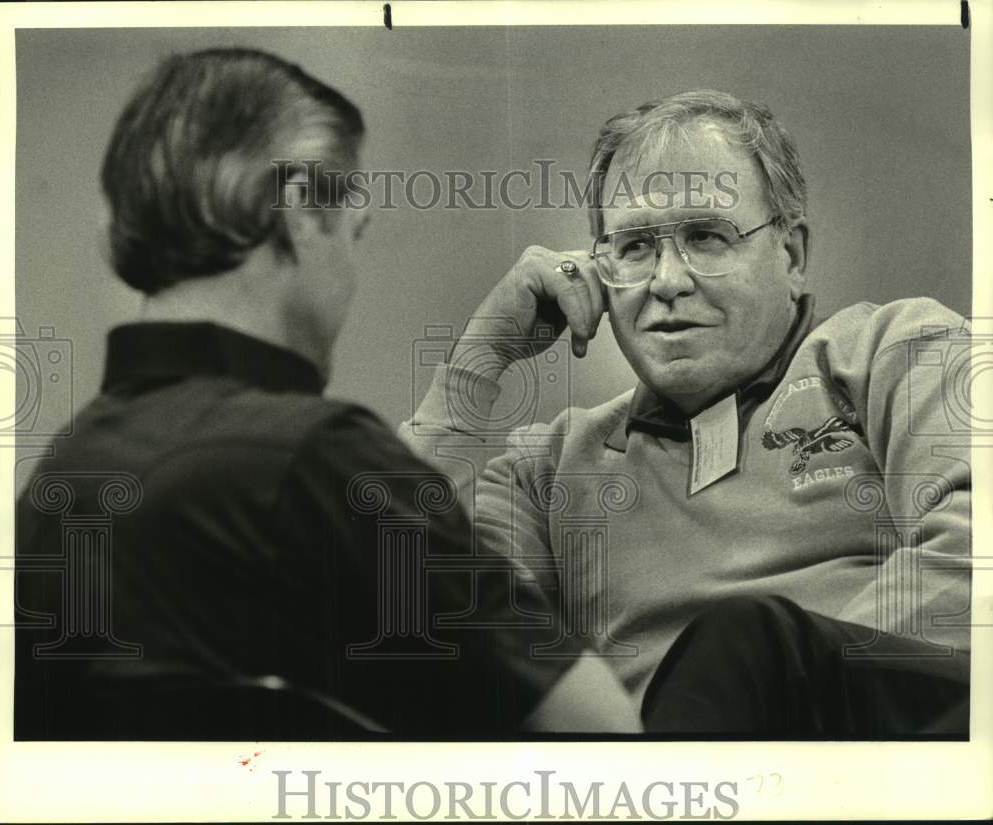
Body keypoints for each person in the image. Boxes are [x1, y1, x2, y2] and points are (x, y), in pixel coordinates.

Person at [13, 48, 642, 740]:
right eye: (355, 230)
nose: (352, 271)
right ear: (300, 213)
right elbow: (602, 735)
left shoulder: (58, 481)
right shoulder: (320, 458)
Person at [401, 89, 972, 736]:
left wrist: (791, 698)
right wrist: (479, 358)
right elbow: (435, 637)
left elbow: (973, 561)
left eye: (706, 236)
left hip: (861, 770)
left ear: (792, 256)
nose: (668, 279)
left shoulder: (887, 354)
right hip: (643, 788)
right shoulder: (551, 468)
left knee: (744, 641)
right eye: (637, 246)